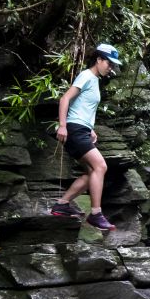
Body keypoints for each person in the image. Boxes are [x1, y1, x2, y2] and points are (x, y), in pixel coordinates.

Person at [49, 43, 123, 231]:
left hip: (81, 129)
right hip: (74, 129)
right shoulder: (87, 76)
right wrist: (63, 125)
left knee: (92, 173)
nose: (110, 68)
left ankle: (62, 204)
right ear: (98, 60)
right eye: (109, 63)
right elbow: (65, 98)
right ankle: (96, 214)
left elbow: (82, 106)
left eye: (113, 65)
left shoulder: (94, 80)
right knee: (101, 166)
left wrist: (90, 128)